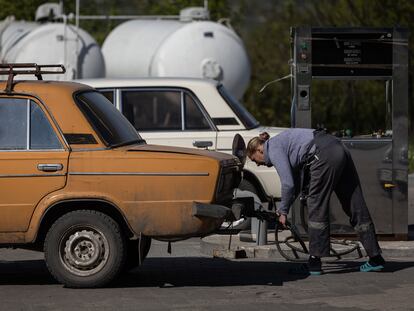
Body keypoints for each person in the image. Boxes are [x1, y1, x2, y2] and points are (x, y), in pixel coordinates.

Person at [246, 128, 385, 275]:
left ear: (259, 150)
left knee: (316, 205)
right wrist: (284, 208)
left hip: (322, 155)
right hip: (338, 148)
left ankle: (314, 262)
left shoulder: (272, 148)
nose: (257, 164)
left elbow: (288, 184)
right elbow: (295, 184)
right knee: (354, 204)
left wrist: (284, 210)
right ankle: (375, 257)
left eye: (255, 159)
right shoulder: (282, 142)